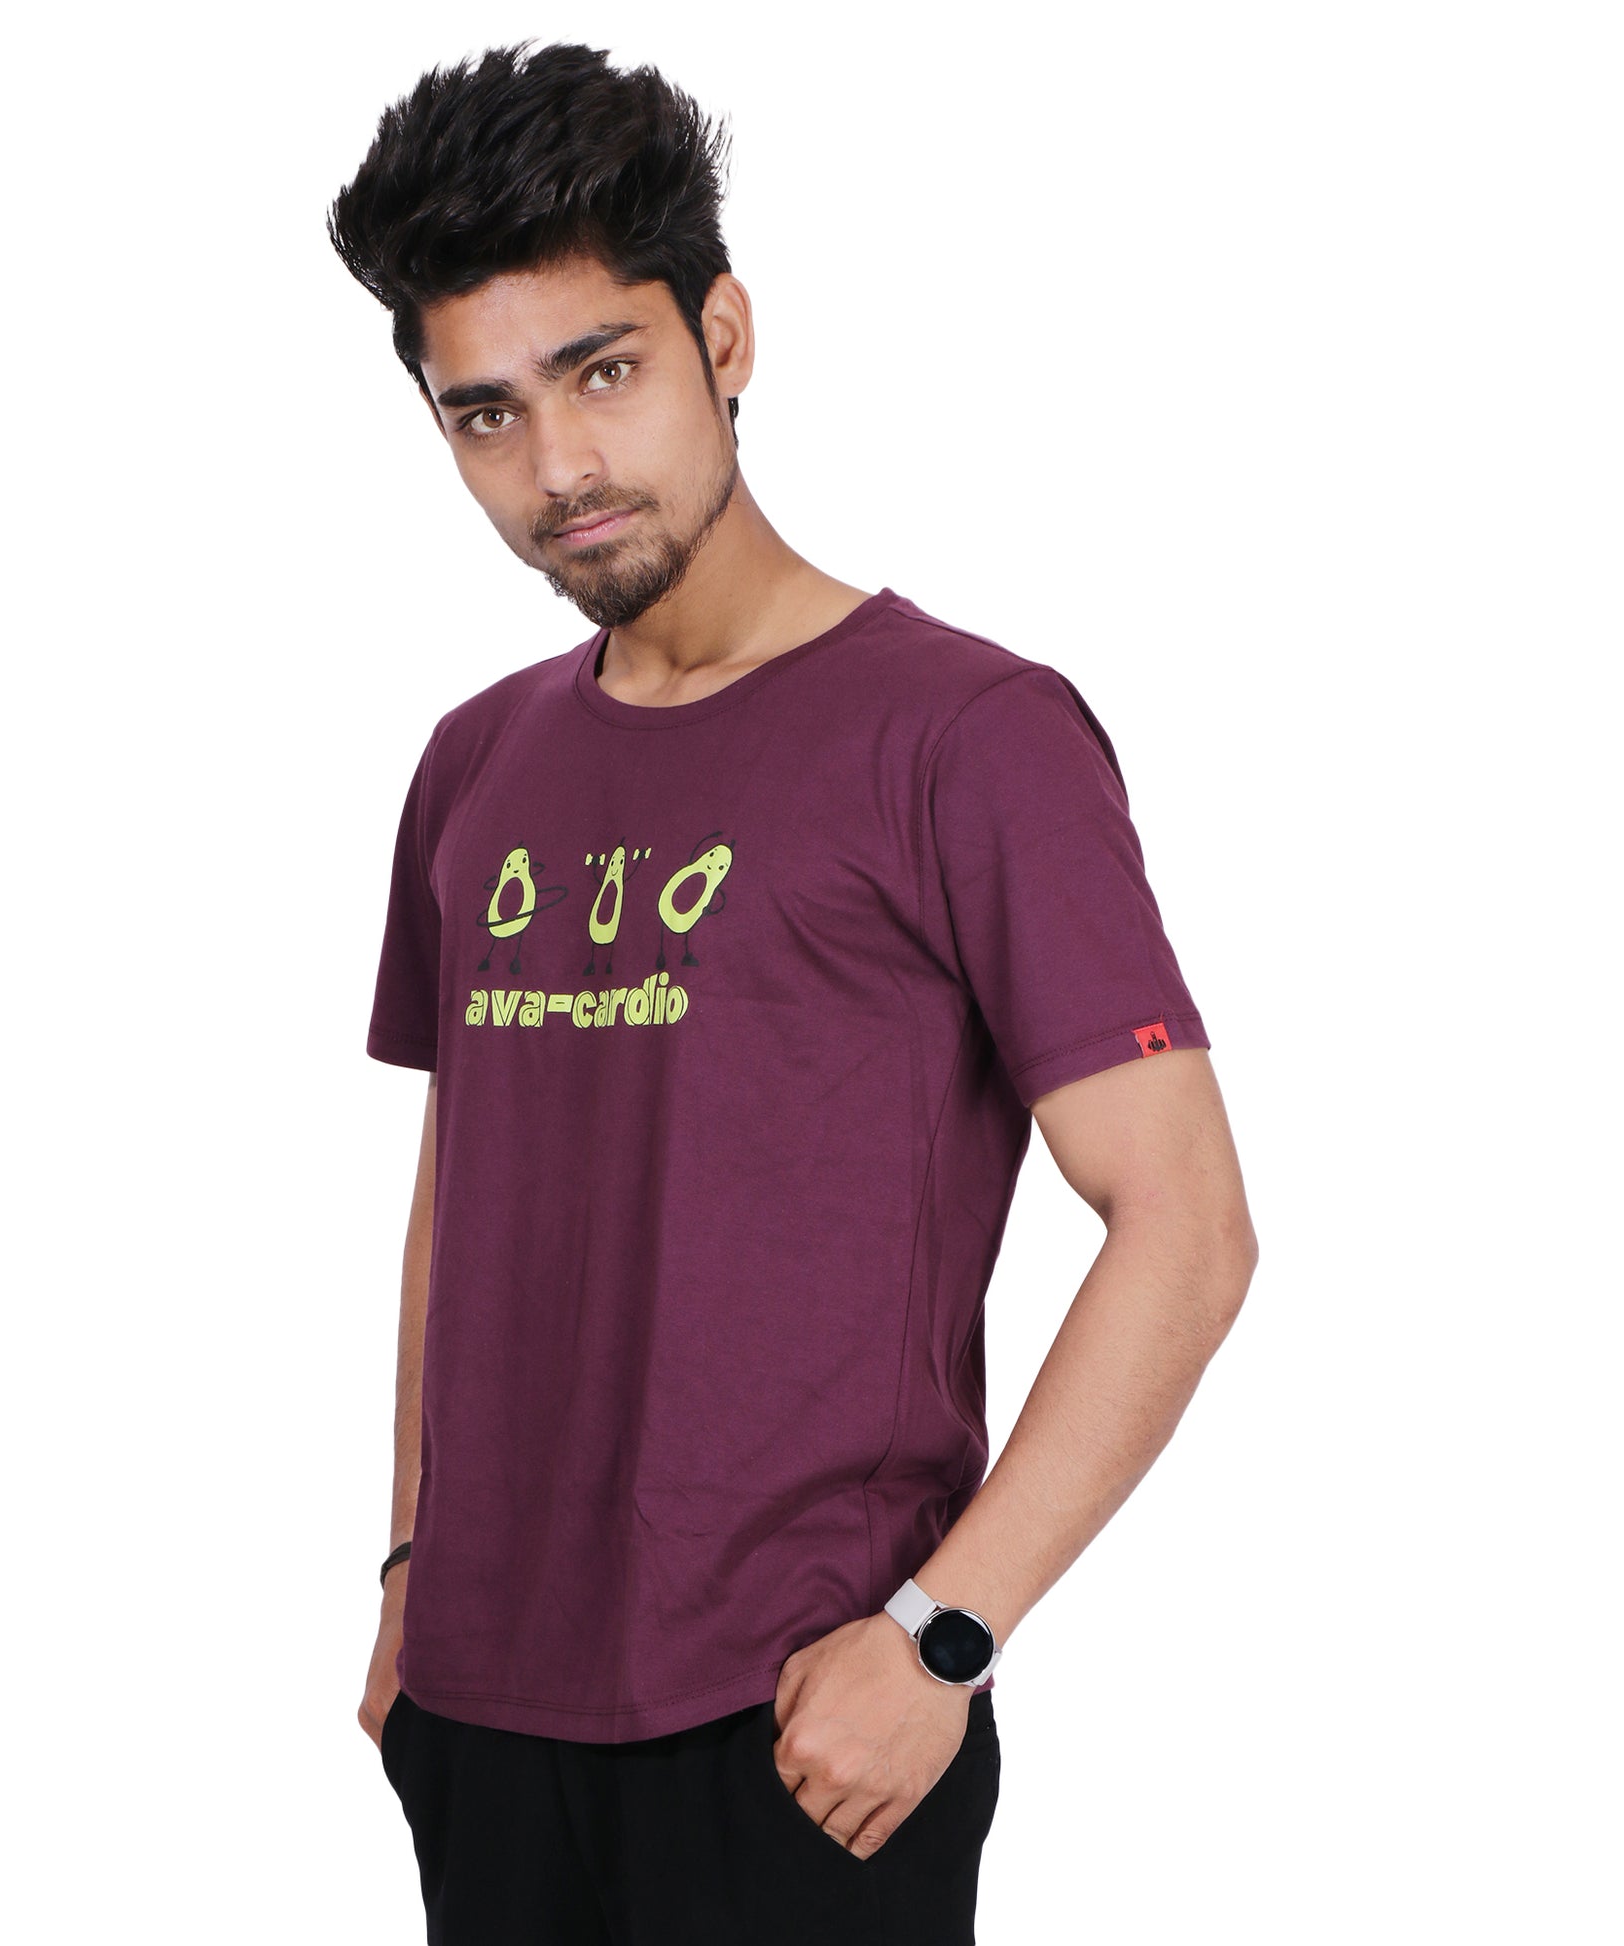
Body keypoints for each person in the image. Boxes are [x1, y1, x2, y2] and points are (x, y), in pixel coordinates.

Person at [329, 39, 1257, 1945]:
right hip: (482, 1716)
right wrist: (412, 1566)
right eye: (485, 413)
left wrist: (943, 1634)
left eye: (603, 371)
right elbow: (461, 1183)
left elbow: (1187, 1222)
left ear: (724, 335)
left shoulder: (967, 735)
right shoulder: (474, 761)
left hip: (798, 1726)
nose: (558, 468)